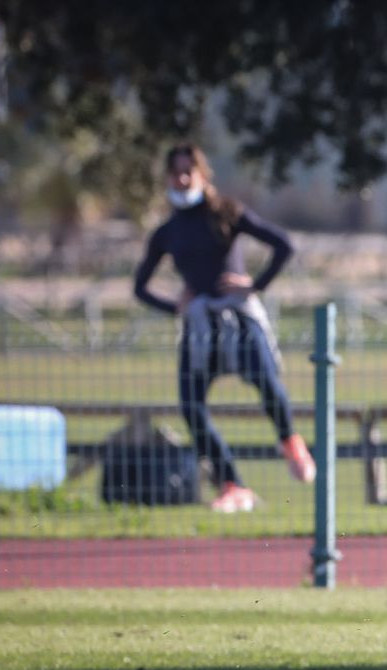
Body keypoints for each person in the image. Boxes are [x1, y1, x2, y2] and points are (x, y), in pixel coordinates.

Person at [132, 144, 312, 513]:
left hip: (238, 316)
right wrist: (175, 306)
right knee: (191, 406)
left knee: (267, 381)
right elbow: (140, 288)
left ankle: (289, 439)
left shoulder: (226, 212)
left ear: (202, 174)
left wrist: (254, 286)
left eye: (189, 171)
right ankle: (232, 484)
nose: (182, 179)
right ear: (167, 178)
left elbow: (284, 244)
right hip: (199, 323)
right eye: (176, 172)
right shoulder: (166, 232)